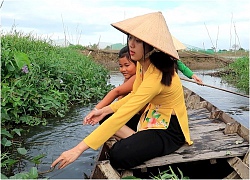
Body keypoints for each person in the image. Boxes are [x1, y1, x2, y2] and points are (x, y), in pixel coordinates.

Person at [51, 12, 193, 170]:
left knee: (118, 155)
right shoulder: (142, 64)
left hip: (168, 130)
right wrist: (103, 110)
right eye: (130, 38)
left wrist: (77, 150)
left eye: (138, 40)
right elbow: (133, 96)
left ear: (152, 46)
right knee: (106, 117)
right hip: (150, 117)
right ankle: (139, 140)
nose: (131, 44)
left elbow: (126, 111)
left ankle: (141, 143)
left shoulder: (156, 77)